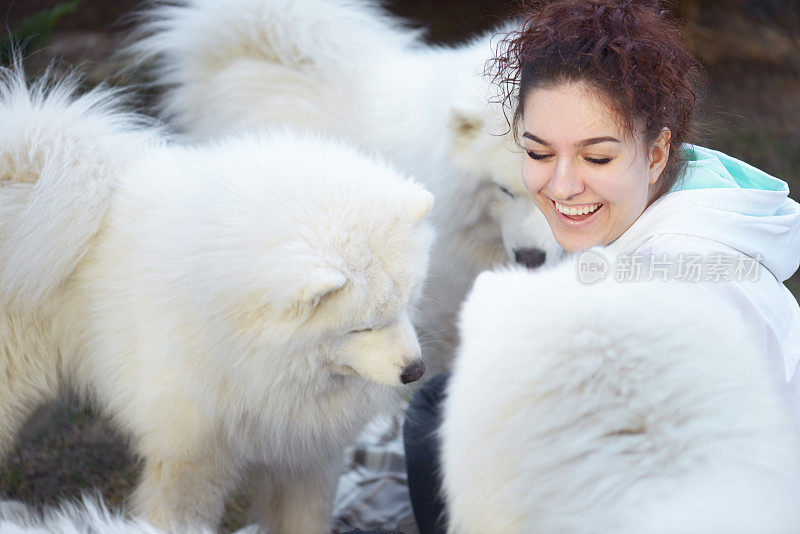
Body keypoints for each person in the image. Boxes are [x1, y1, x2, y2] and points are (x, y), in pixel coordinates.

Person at [404, 1, 800, 532]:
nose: (563, 187)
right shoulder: (639, 209)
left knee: (443, 415)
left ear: (657, 152)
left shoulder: (694, 284)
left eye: (596, 158)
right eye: (539, 153)